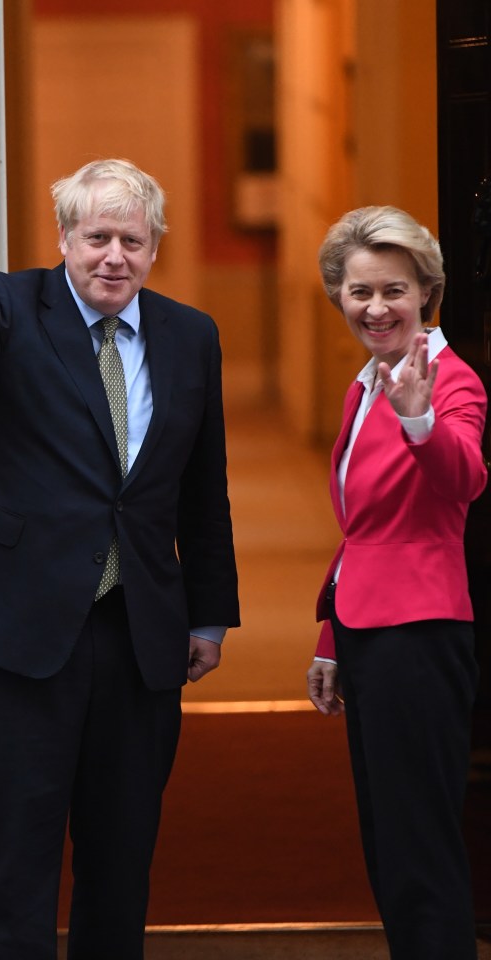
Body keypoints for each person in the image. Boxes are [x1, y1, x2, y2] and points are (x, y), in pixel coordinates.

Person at [0, 158, 240, 960]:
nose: (114, 256)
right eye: (97, 238)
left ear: (155, 248)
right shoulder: (4, 304)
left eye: (133, 240)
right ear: (64, 240)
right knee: (17, 870)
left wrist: (210, 616)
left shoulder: (191, 334)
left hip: (140, 637)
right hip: (17, 637)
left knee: (121, 871)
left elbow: (202, 489)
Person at [306, 206, 487, 960]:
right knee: (387, 838)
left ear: (427, 292)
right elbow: (363, 532)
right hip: (368, 628)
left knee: (420, 846)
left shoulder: (449, 379)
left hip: (420, 629)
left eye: (394, 291)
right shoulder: (366, 383)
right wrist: (329, 635)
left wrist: (421, 422)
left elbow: (465, 479)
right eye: (358, 292)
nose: (376, 308)